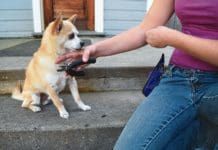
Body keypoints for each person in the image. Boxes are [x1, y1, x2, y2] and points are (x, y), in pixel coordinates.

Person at [56, 0, 218, 149]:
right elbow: (145, 29)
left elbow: (172, 37)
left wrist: (173, 38)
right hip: (180, 78)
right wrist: (95, 50)